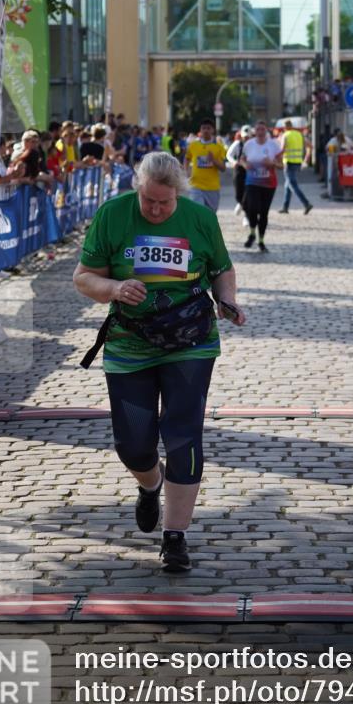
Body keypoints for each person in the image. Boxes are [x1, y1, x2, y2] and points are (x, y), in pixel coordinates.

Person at [73, 152, 245, 572]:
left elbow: (222, 269)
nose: (155, 210)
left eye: (164, 203)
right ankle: (150, 485)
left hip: (191, 342)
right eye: (148, 200)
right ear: (138, 188)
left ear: (178, 196)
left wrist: (228, 301)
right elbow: (83, 277)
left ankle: (175, 537)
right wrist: (113, 287)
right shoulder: (113, 215)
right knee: (132, 444)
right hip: (129, 345)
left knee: (184, 434)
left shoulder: (199, 218)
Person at [241, 120, 282, 252]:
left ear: (266, 131)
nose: (260, 132)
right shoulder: (248, 144)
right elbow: (241, 159)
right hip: (252, 182)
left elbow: (282, 165)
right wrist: (245, 165)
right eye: (258, 129)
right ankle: (252, 232)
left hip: (268, 184)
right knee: (251, 209)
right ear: (254, 131)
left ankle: (261, 241)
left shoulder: (273, 145)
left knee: (264, 213)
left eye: (262, 129)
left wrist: (272, 163)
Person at [184, 118, 227, 212]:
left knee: (210, 214)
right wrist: (186, 170)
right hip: (196, 186)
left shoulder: (219, 147)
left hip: (212, 187)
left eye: (208, 128)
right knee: (197, 211)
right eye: (203, 128)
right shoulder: (193, 145)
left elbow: (223, 168)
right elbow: (187, 158)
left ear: (212, 130)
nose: (206, 130)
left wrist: (214, 160)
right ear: (200, 130)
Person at [277, 119, 313, 215]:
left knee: (292, 185)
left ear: (285, 127)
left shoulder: (285, 135)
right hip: (297, 162)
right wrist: (306, 158)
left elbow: (282, 149)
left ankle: (306, 204)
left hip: (288, 162)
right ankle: (285, 207)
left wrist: (275, 157)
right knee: (287, 185)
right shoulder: (299, 134)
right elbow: (310, 146)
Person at [226, 125, 252, 219]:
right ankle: (240, 203)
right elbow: (229, 154)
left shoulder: (253, 144)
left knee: (248, 193)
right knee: (238, 193)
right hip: (239, 170)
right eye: (244, 136)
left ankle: (247, 216)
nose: (246, 138)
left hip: (249, 171)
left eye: (248, 136)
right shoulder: (237, 144)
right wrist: (234, 162)